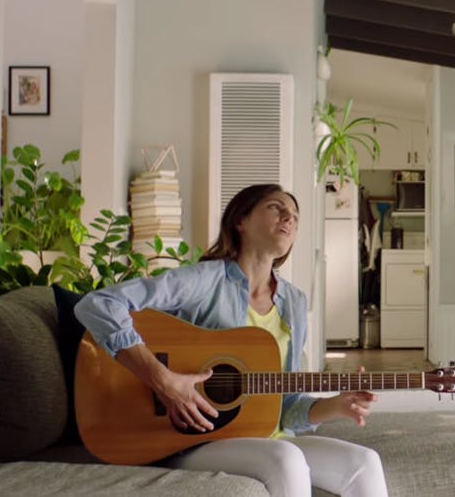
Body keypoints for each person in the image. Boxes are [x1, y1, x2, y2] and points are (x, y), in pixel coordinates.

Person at [76, 184, 388, 497]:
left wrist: (334, 406)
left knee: (364, 461)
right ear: (241, 220)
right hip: (195, 438)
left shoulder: (293, 302)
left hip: (268, 438)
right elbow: (98, 304)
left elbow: (286, 406)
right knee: (287, 458)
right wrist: (162, 380)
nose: (288, 218)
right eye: (275, 207)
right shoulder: (204, 280)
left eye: (295, 215)